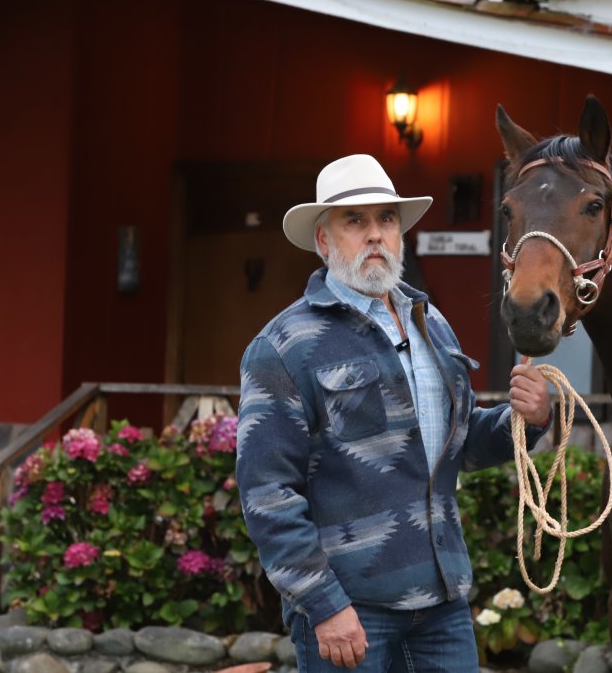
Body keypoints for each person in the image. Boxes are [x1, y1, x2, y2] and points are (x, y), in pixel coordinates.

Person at [236, 154, 552, 672]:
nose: (375, 234)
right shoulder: (283, 348)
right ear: (324, 240)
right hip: (349, 611)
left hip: (443, 602)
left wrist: (528, 417)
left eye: (386, 219)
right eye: (354, 222)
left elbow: (462, 442)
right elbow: (267, 495)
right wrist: (324, 605)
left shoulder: (433, 324)